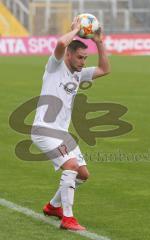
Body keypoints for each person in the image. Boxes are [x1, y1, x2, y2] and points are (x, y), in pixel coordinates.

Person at [31, 17, 110, 231]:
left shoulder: (78, 74)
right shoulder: (55, 66)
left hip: (62, 133)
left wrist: (99, 41)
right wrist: (74, 30)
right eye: (80, 57)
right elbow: (59, 44)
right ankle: (68, 218)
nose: (84, 62)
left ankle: (54, 206)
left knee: (83, 174)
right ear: (69, 54)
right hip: (44, 130)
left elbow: (104, 69)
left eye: (85, 58)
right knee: (71, 166)